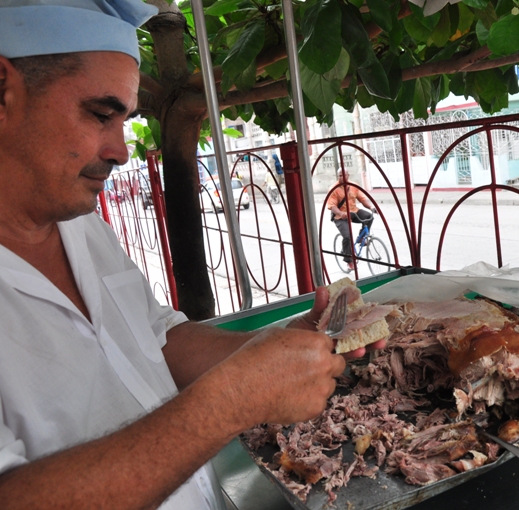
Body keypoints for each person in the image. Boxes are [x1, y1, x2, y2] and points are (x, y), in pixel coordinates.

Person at [0, 1, 383, 509]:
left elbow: (158, 339)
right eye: (99, 114)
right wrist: (228, 403)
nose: (121, 150)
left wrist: (281, 347)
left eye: (125, 121)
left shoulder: (83, 226)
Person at [328, 167, 377, 273]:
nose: (342, 177)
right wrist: (341, 213)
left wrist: (371, 208)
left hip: (353, 212)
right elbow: (332, 206)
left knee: (369, 216)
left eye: (344, 175)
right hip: (340, 216)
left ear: (348, 175)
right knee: (347, 236)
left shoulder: (353, 186)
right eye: (340, 175)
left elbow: (362, 199)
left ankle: (361, 238)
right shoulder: (333, 189)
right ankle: (349, 260)